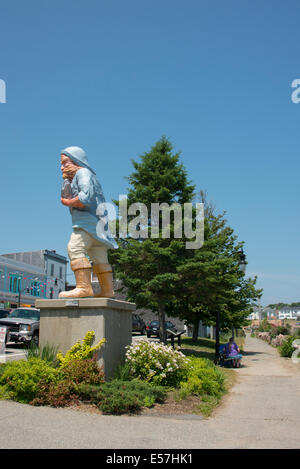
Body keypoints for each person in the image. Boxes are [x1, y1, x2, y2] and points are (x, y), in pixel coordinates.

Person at [58, 146, 118, 299]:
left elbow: (85, 199)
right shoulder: (86, 176)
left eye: (66, 163)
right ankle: (107, 290)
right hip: (99, 225)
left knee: (75, 248)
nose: (62, 167)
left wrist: (67, 202)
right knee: (99, 256)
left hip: (86, 223)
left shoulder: (82, 173)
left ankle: (84, 287)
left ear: (76, 161)